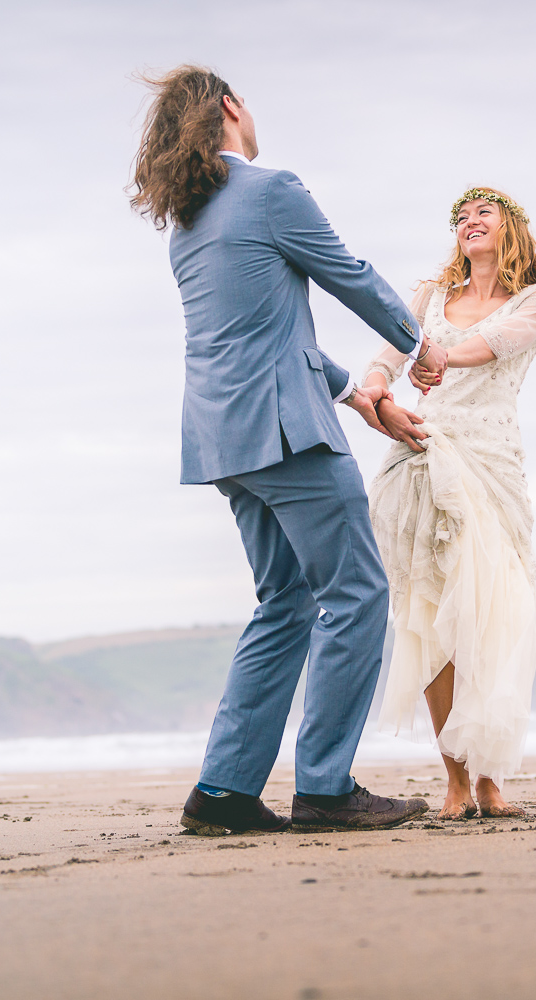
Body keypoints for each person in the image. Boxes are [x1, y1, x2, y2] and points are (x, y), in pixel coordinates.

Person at [128, 66, 445, 834]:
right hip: (283, 431)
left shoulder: (189, 225)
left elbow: (260, 335)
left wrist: (362, 395)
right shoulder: (271, 191)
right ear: (231, 107)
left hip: (223, 441)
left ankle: (225, 790)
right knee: (358, 592)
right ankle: (326, 787)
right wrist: (419, 345)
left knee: (286, 602)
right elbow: (350, 276)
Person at [362, 187, 536, 819]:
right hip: (427, 458)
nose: (469, 223)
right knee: (432, 619)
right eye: (461, 217)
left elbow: (497, 343)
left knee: (491, 620)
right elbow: (389, 355)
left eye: (484, 212)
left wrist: (440, 354)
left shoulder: (535, 299)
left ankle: (488, 777)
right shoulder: (426, 297)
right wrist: (374, 388)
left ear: (511, 228)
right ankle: (454, 779)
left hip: (492, 468)